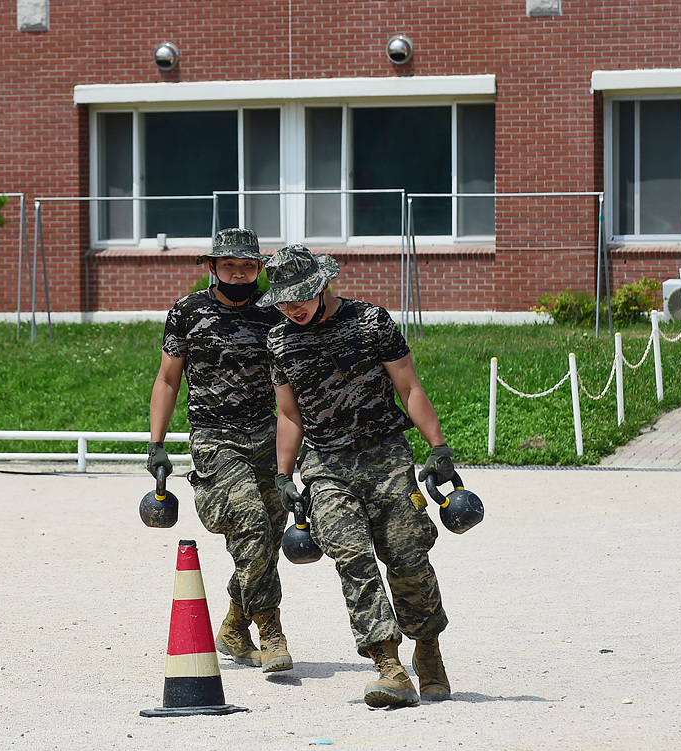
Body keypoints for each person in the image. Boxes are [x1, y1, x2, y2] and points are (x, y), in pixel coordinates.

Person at [258, 244, 458, 707]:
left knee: (408, 557)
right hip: (327, 466)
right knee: (352, 557)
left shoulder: (371, 322)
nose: (293, 307)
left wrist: (438, 447)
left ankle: (427, 648)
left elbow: (407, 386)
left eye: (301, 296)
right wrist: (284, 475)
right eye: (284, 300)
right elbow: (289, 415)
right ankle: (388, 665)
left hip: (385, 457)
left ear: (322, 285)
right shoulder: (279, 341)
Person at [147, 228, 293, 673]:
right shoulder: (187, 312)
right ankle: (272, 632)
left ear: (258, 269)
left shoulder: (275, 315)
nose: (238, 273)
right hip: (215, 438)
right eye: (229, 265)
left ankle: (232, 625)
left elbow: (290, 388)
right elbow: (168, 380)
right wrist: (156, 444)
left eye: (247, 266)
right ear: (212, 267)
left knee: (265, 541)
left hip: (266, 437)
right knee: (249, 523)